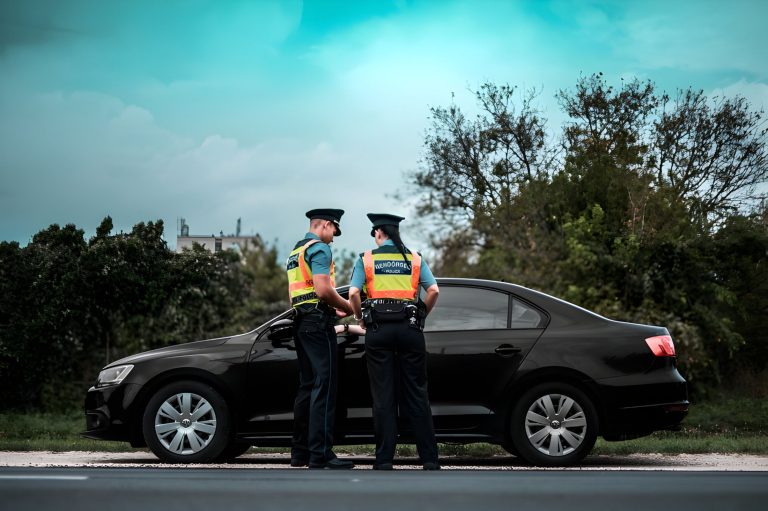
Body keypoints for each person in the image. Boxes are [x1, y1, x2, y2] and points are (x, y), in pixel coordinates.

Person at [348, 213, 441, 470]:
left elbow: (354, 292)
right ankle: (430, 460)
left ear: (379, 232)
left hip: (378, 331)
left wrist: (360, 317)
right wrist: (421, 314)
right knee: (417, 393)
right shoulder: (414, 258)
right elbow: (433, 290)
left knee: (384, 396)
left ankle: (384, 459)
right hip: (409, 330)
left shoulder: (366, 259)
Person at [286, 208, 355, 470]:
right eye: (334, 231)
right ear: (325, 225)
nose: (334, 238)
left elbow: (304, 294)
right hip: (317, 324)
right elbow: (323, 288)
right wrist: (347, 307)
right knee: (323, 388)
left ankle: (300, 452)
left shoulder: (296, 251)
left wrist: (329, 307)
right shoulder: (320, 249)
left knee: (307, 387)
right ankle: (321, 454)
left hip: (302, 322)